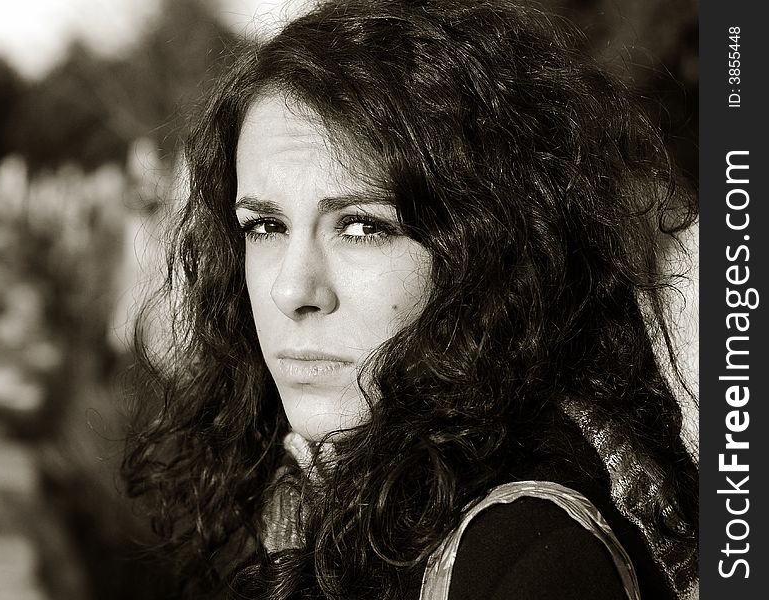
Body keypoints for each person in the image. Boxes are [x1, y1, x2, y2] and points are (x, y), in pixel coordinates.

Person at [122, 1, 699, 598]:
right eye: (264, 227)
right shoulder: (326, 500)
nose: (292, 291)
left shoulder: (524, 556)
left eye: (362, 227)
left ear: (483, 252)